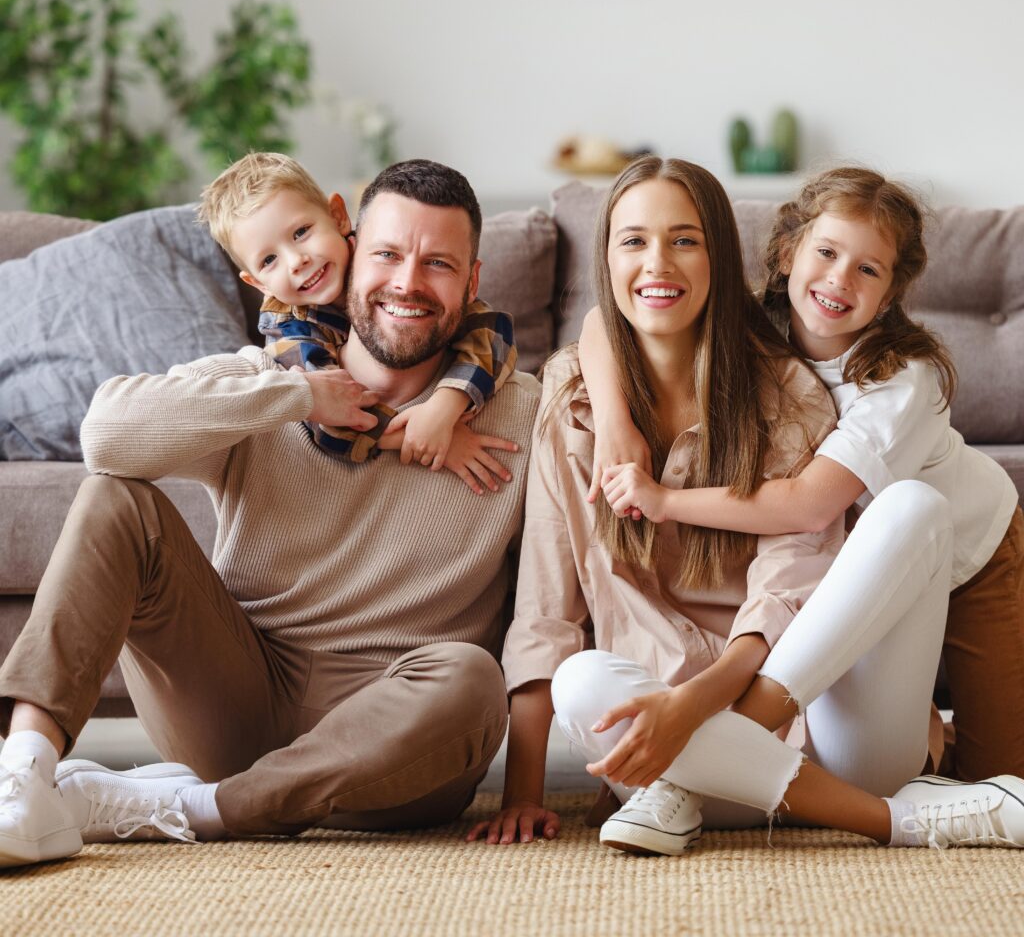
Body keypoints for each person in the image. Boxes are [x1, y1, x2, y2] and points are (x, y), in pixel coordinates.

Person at [470, 156, 1024, 856]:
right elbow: (545, 611)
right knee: (584, 678)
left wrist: (696, 708)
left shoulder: (802, 387)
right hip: (657, 747)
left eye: (685, 240)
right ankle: (896, 817)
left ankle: (702, 783)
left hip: (816, 718)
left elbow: (799, 542)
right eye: (632, 241)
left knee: (912, 506)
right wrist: (522, 794)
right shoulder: (578, 399)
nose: (658, 262)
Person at [0, 159, 540, 868]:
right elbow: (105, 436)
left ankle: (194, 807)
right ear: (353, 246)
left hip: (397, 745)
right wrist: (298, 397)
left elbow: (550, 604)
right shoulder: (267, 378)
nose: (407, 282)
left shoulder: (526, 411)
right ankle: (23, 781)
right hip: (234, 700)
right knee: (115, 497)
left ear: (471, 282)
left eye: (437, 262)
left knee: (473, 679)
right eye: (387, 254)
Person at [582, 167, 1023, 781]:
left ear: (892, 293)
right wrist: (611, 419)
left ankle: (723, 743)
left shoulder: (901, 380)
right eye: (827, 252)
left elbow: (811, 504)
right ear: (788, 253)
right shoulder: (760, 324)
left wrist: (664, 500)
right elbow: (605, 319)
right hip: (861, 559)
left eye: (868, 270)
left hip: (973, 553)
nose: (840, 280)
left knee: (1003, 775)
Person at [199, 151, 517, 477]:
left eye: (300, 233)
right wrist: (423, 437)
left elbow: (493, 330)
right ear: (258, 283)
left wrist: (445, 406)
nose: (297, 261)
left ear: (338, 216)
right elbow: (332, 419)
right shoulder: (290, 331)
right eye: (269, 260)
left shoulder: (377, 254)